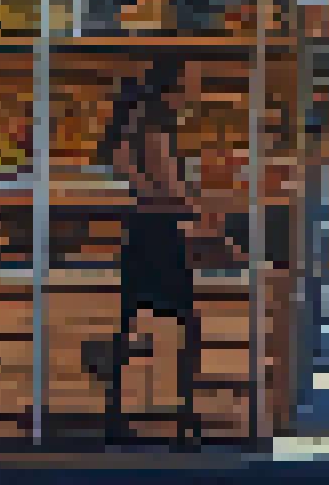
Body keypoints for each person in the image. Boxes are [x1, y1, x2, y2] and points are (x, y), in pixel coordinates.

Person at [100, 57, 228, 446]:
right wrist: (199, 209)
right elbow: (165, 186)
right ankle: (185, 420)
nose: (196, 88)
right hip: (159, 232)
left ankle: (116, 416)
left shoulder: (133, 120)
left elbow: (131, 172)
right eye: (192, 80)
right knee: (186, 324)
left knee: (128, 325)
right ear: (172, 87)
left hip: (139, 231)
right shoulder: (154, 125)